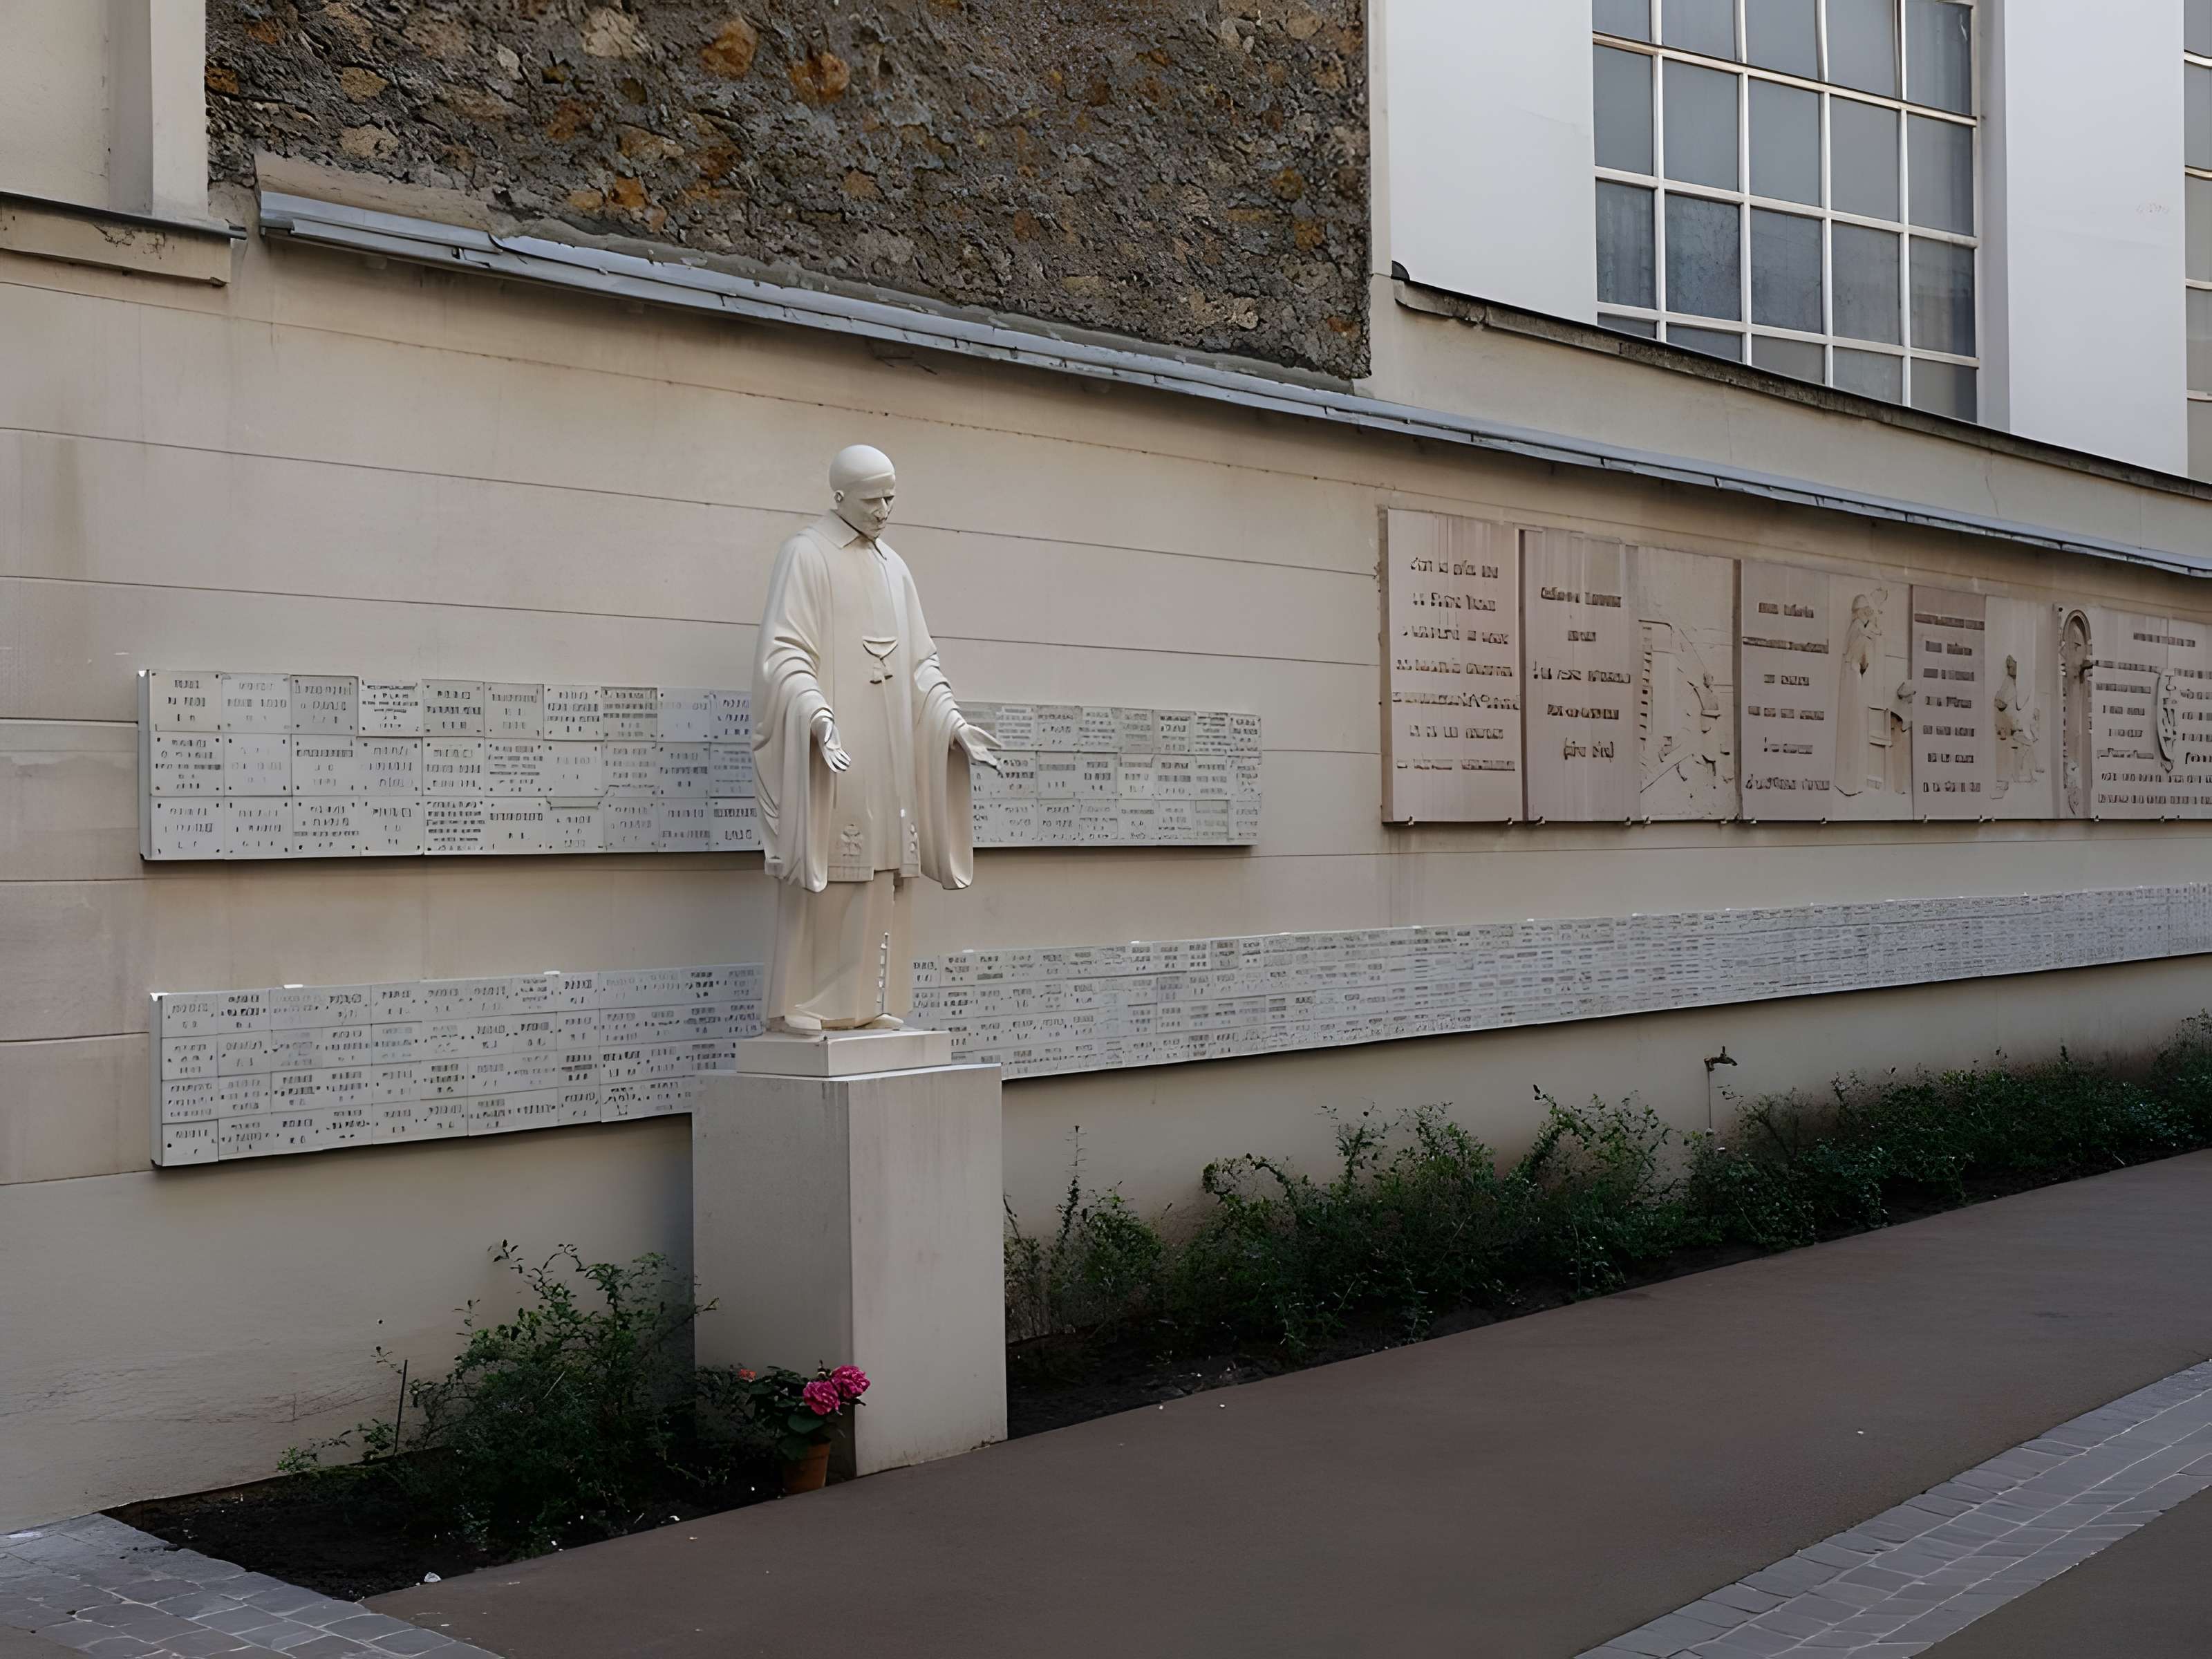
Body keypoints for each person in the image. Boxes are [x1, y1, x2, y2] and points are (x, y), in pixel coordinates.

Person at [750, 445, 1001, 1033]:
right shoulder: (805, 557)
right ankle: (800, 1006)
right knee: (830, 873)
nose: (885, 509)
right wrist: (815, 716)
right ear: (838, 497)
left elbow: (921, 665)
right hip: (836, 746)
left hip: (890, 745)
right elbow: (784, 655)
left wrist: (952, 722)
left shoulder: (895, 568)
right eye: (872, 499)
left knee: (883, 874)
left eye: (891, 497)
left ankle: (863, 1005)